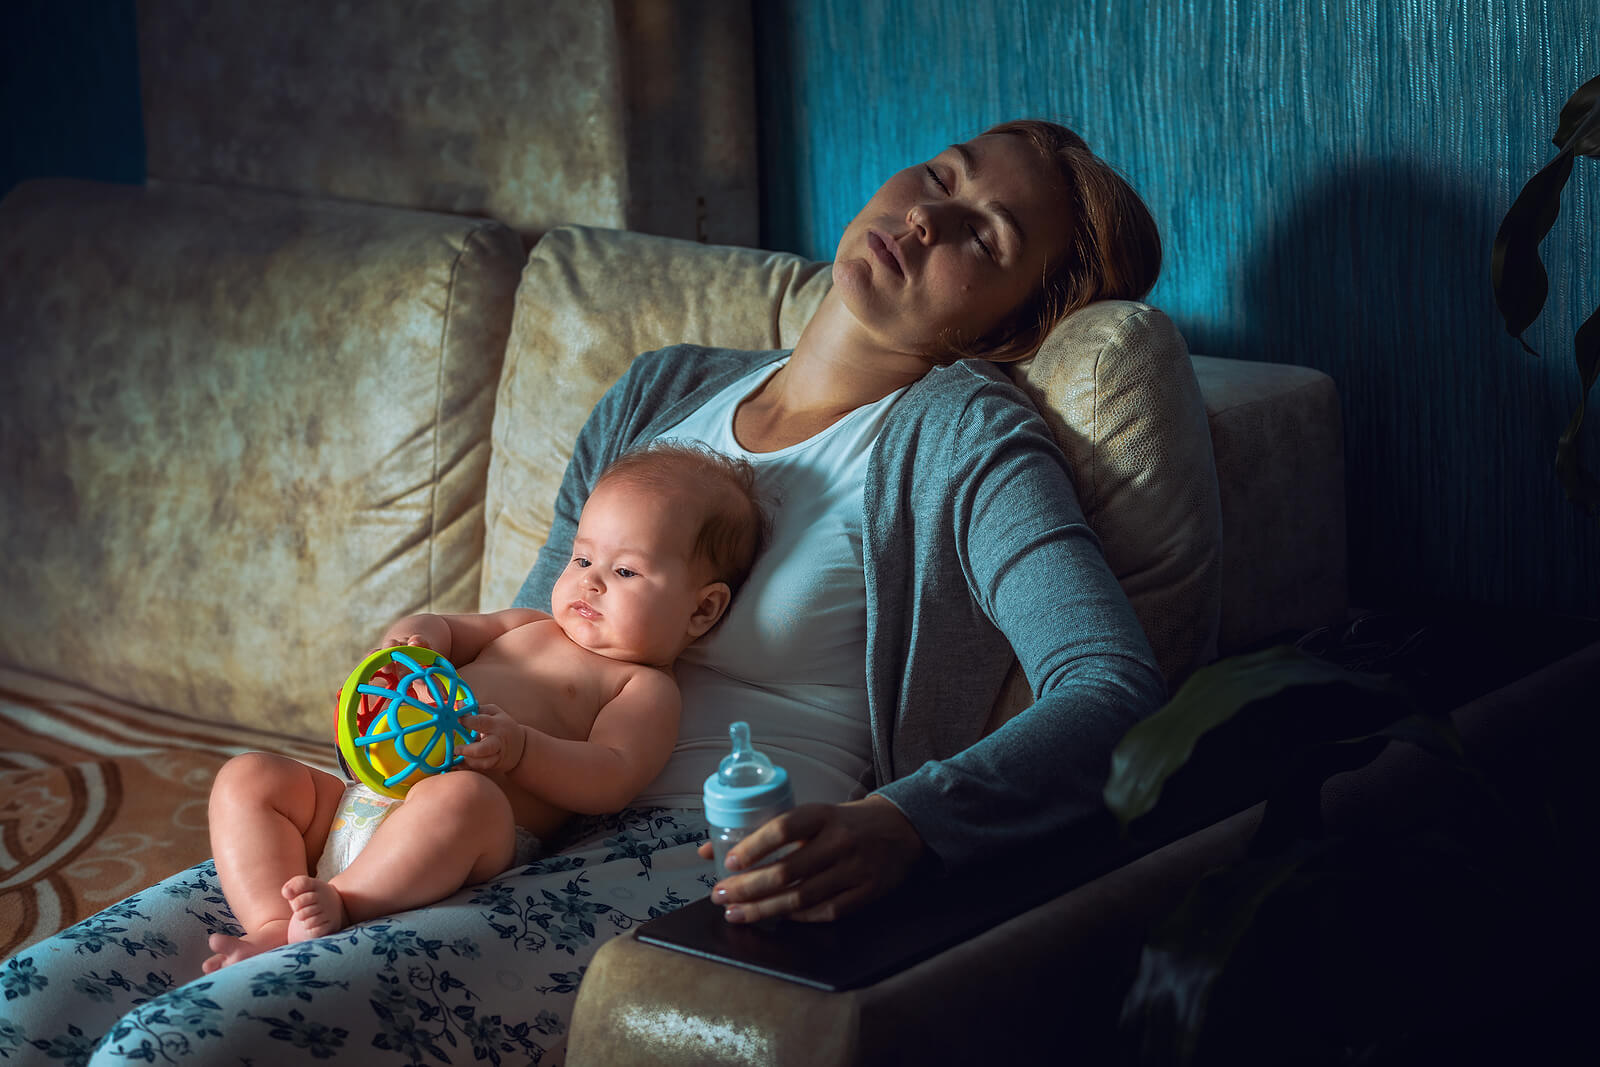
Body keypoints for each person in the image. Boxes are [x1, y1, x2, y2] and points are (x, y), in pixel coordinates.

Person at [2, 119, 1170, 1065]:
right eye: (940, 173)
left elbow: (1110, 683)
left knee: (172, 1045)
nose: (926, 212)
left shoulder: (962, 436)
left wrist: (906, 823)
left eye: (983, 232)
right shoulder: (659, 394)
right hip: (482, 813)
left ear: (1008, 325)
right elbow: (535, 629)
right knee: (25, 1007)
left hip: (678, 862)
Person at [203, 441, 766, 971]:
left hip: (471, 831)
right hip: (365, 794)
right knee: (249, 777)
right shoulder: (527, 625)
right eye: (580, 559)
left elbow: (612, 775)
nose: (588, 583)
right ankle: (274, 924)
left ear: (702, 610)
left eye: (624, 571)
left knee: (464, 795)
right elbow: (443, 628)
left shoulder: (640, 687)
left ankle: (345, 903)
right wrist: (409, 645)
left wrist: (523, 750)